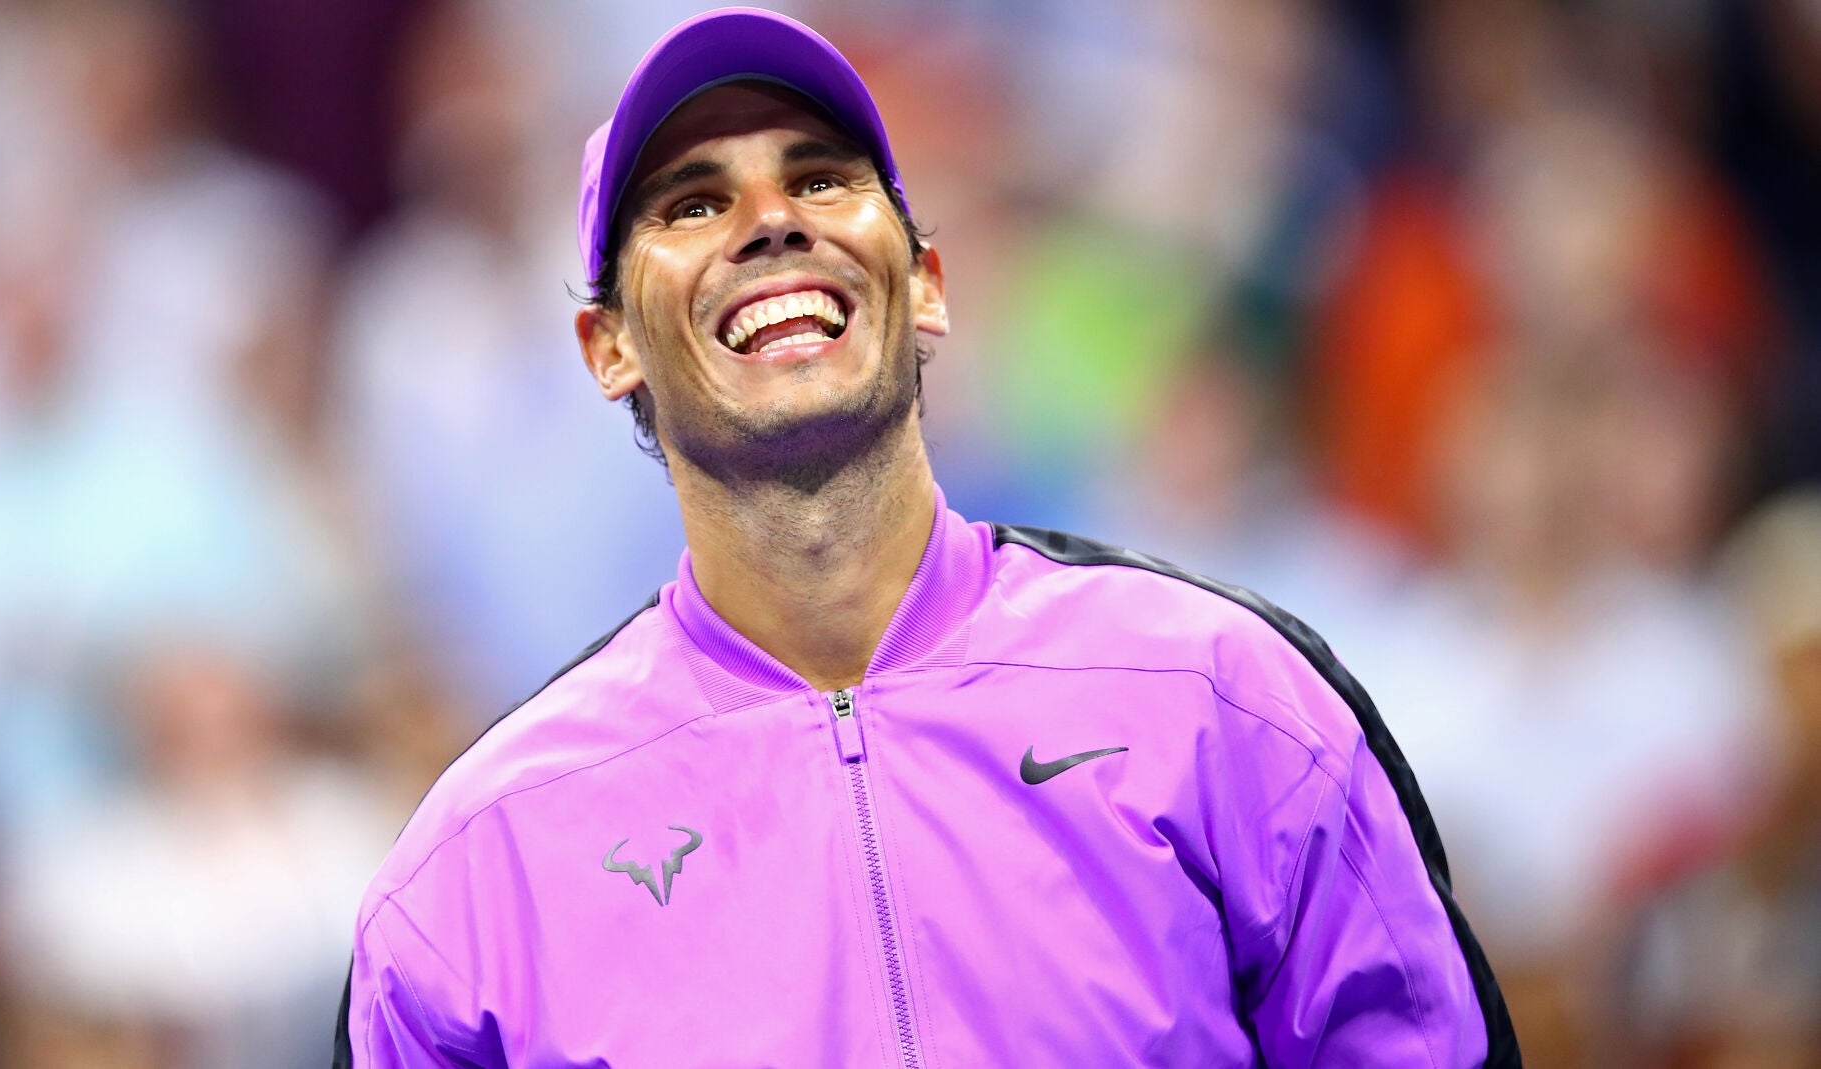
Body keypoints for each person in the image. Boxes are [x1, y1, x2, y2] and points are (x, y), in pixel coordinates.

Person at [334, 8, 1519, 1066]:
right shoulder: (477, 868)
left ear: (930, 283)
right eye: (692, 203)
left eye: (822, 179)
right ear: (608, 348)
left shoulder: (1227, 694)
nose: (770, 223)